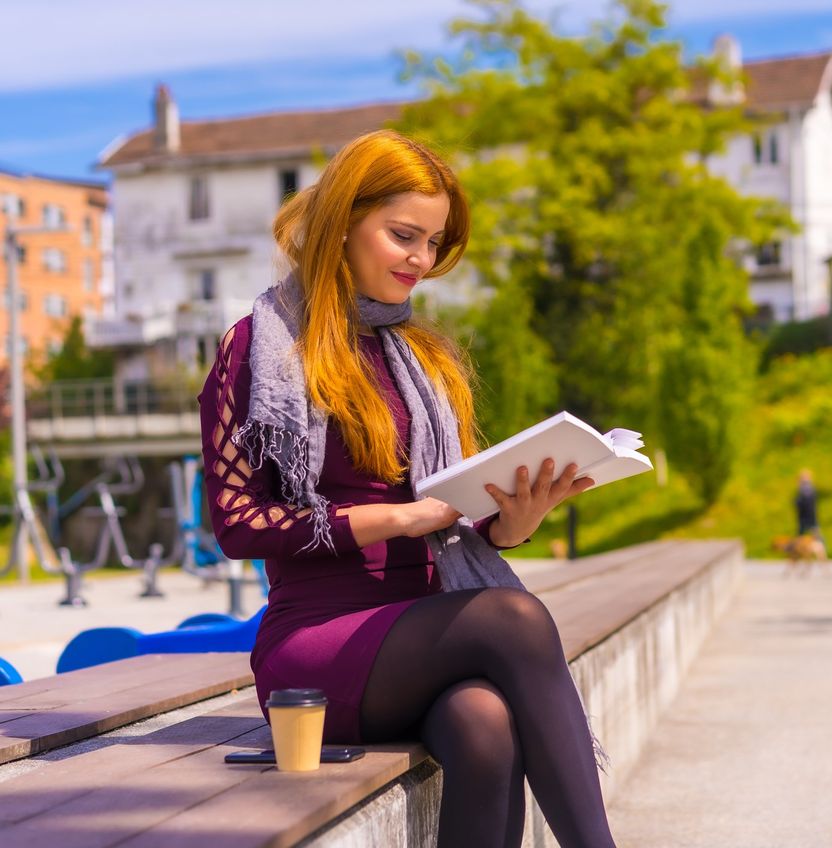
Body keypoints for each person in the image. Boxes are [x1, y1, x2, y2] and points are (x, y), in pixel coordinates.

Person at [199, 130, 616, 848]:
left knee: (485, 725)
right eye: (404, 236)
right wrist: (391, 519)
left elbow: (452, 517)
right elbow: (238, 524)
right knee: (512, 620)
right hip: (316, 643)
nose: (422, 260)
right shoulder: (261, 347)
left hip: (424, 630)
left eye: (434, 242)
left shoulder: (422, 358)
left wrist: (513, 520)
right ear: (343, 223)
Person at [794, 468, 820, 539]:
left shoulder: (805, 489)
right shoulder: (808, 488)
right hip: (809, 517)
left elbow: (805, 503)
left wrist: (797, 502)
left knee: (814, 535)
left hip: (807, 517)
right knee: (816, 536)